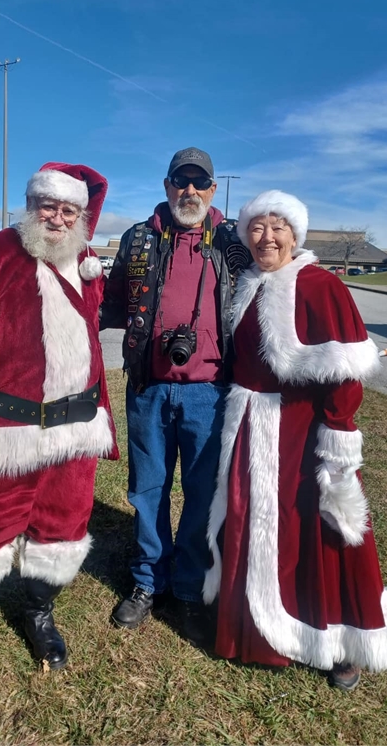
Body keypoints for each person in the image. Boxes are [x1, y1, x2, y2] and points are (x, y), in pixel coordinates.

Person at [203, 190, 387, 690]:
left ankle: (341, 642)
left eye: (278, 228)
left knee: (318, 527)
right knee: (251, 523)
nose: (266, 237)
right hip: (250, 426)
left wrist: (335, 436)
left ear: (296, 234)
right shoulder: (247, 284)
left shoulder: (319, 285)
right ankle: (252, 631)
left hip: (302, 431)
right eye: (256, 227)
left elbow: (345, 377)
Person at [0, 162, 118, 676]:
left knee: (62, 524)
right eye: (49, 207)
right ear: (32, 206)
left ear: (81, 216)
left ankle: (38, 612)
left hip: (74, 426)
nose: (57, 219)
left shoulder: (85, 262)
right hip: (6, 429)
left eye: (68, 210)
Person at [100, 147, 251, 645]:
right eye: (179, 182)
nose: (189, 191)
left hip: (210, 392)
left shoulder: (233, 241)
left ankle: (188, 586)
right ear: (167, 187)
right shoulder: (138, 238)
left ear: (212, 189)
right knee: (148, 487)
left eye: (198, 183)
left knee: (203, 494)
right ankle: (148, 581)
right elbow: (109, 301)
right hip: (148, 386)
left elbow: (271, 286)